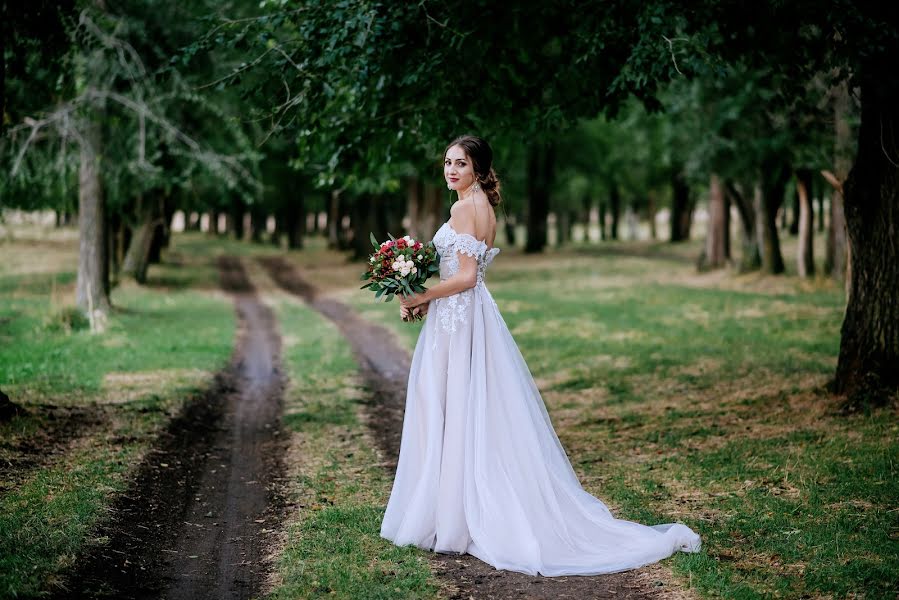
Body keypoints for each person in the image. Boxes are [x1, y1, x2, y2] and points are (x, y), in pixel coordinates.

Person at [380, 135, 701, 576]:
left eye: (461, 163)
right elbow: (464, 273)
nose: (451, 170)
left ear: (477, 169)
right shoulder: (485, 209)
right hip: (465, 318)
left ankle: (450, 518)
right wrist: (423, 294)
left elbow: (468, 277)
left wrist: (422, 295)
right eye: (447, 162)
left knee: (449, 408)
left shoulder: (462, 208)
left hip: (458, 318)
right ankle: (452, 512)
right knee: (462, 411)